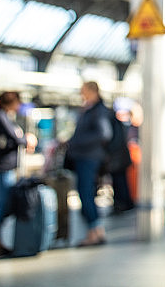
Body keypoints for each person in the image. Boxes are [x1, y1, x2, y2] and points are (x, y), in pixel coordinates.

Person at [0, 91, 37, 257]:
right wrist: (27, 140)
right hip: (4, 168)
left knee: (0, 205)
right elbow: (14, 138)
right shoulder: (1, 118)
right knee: (1, 205)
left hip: (0, 166)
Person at [66, 81, 112, 247]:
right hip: (86, 157)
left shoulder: (97, 111)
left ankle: (93, 232)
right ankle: (96, 231)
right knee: (87, 194)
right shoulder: (91, 109)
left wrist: (77, 143)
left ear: (92, 91)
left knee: (85, 193)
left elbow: (104, 134)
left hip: (88, 158)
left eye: (83, 91)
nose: (81, 94)